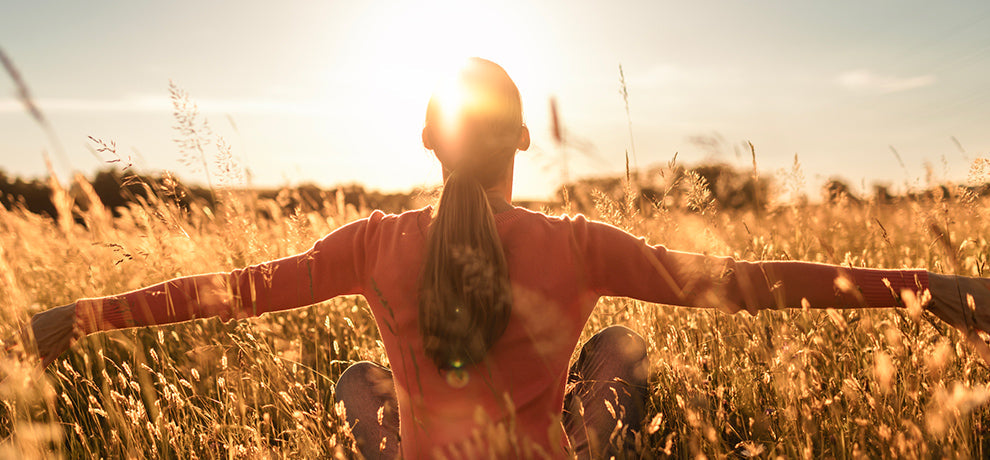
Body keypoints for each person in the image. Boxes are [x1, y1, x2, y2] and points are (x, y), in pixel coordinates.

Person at [24, 58, 990, 459]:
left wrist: (83, 313)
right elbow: (742, 287)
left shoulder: (375, 245)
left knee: (358, 378)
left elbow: (232, 293)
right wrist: (924, 287)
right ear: (523, 140)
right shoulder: (574, 245)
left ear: (427, 143)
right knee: (622, 350)